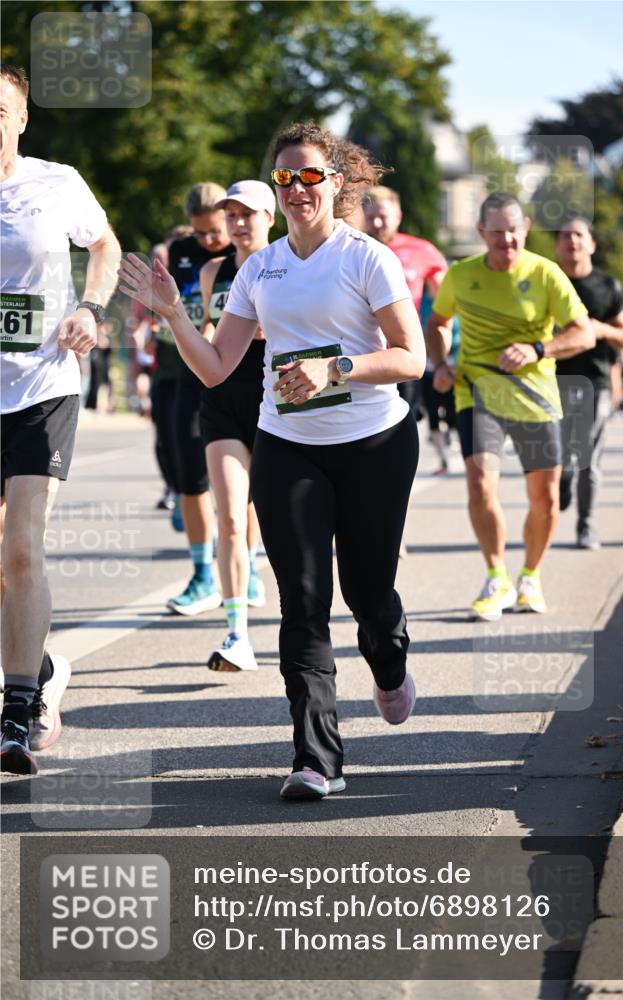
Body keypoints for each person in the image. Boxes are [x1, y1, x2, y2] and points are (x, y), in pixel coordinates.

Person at [118, 121, 426, 800]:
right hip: (288, 449)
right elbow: (217, 367)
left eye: (309, 176)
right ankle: (316, 758)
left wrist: (334, 369)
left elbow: (412, 357)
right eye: (284, 178)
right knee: (303, 603)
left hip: (375, 444)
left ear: (335, 183)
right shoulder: (260, 267)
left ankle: (388, 660)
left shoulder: (366, 258)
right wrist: (173, 315)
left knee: (368, 594)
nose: (296, 190)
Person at [0, 64, 121, 773]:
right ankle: (42, 668)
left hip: (42, 384)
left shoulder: (58, 182)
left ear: (21, 117)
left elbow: (103, 245)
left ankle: (16, 710)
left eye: (2, 109)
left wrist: (90, 308)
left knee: (22, 547)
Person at [426, 192, 593, 622]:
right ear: (481, 232)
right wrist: (440, 363)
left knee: (545, 500)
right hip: (477, 391)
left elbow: (583, 333)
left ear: (526, 227)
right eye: (497, 231)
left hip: (535, 397)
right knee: (480, 481)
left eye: (514, 229)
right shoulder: (461, 275)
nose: (507, 239)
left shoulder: (545, 273)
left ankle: (530, 576)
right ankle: (496, 575)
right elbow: (438, 323)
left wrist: (539, 347)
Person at [198, 180, 276, 672]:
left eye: (248, 213)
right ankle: (236, 635)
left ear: (270, 217)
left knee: (281, 522)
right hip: (223, 398)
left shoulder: (288, 266)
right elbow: (211, 332)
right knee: (228, 517)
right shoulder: (212, 271)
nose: (238, 222)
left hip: (277, 400)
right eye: (231, 213)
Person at [158, 184, 233, 615]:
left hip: (238, 375)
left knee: (244, 483)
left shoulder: (248, 253)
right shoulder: (181, 250)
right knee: (190, 475)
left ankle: (247, 565)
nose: (210, 240)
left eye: (216, 230)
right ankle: (204, 574)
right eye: (201, 233)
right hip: (190, 373)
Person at [555, 215, 623, 549]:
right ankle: (562, 475)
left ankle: (586, 526)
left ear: (591, 243)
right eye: (565, 236)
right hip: (551, 379)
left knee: (589, 458)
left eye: (578, 235)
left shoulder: (606, 286)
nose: (572, 242)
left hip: (594, 381)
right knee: (556, 454)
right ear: (557, 244)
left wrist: (598, 329)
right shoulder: (548, 280)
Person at [364, 186, 447, 453]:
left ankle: (398, 491)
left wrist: (442, 346)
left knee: (400, 428)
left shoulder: (421, 250)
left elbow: (447, 302)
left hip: (402, 352)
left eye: (383, 216)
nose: (377, 223)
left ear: (398, 215)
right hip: (361, 353)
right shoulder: (353, 248)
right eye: (371, 216)